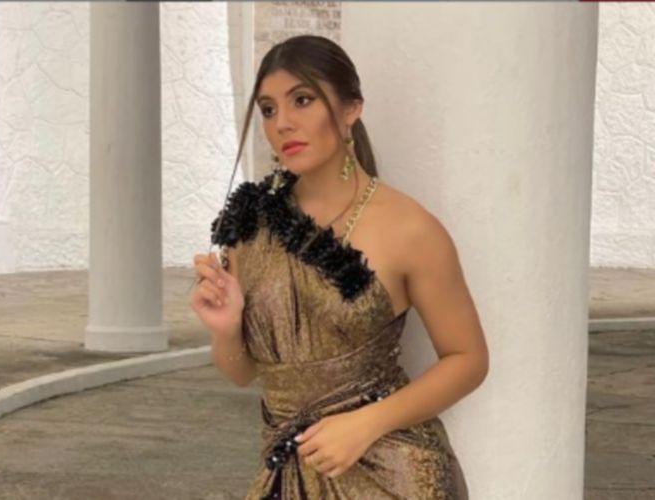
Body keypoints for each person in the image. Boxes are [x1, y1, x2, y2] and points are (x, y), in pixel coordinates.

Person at [190, 34, 488, 500]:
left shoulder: (410, 229)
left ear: (351, 108)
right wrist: (226, 329)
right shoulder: (251, 226)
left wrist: (367, 423)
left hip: (395, 474)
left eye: (302, 100)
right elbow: (243, 373)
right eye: (268, 109)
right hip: (288, 473)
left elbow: (468, 360)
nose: (282, 123)